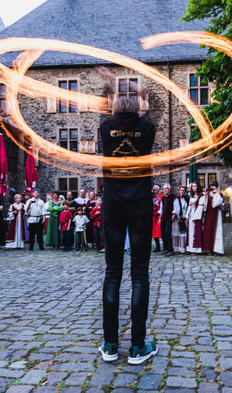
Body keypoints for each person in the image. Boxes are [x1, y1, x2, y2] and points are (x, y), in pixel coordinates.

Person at [98, 97, 157, 364]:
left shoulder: (105, 127)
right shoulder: (146, 128)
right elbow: (144, 121)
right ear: (137, 109)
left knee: (112, 274)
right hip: (140, 206)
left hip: (113, 205)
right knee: (139, 274)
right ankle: (136, 346)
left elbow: (113, 122)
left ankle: (110, 344)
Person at [202, 181, 225, 255]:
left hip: (216, 214)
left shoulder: (219, 195)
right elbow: (204, 205)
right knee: (208, 232)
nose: (212, 187)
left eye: (214, 185)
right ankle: (209, 249)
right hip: (209, 215)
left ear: (216, 186)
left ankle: (216, 249)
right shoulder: (207, 194)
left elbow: (216, 204)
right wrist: (205, 196)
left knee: (216, 232)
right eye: (211, 185)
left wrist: (216, 194)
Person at [186, 182, 205, 254]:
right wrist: (187, 215)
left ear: (198, 187)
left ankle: (196, 250)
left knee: (196, 232)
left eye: (195, 186)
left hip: (197, 215)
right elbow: (189, 206)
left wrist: (196, 217)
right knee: (190, 232)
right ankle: (190, 248)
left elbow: (201, 207)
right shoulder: (191, 195)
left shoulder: (201, 196)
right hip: (191, 215)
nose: (193, 187)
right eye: (193, 186)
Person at [159, 184, 176, 256]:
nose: (165, 190)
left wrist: (174, 215)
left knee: (168, 233)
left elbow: (176, 208)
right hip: (163, 217)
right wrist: (160, 218)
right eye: (164, 189)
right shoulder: (163, 198)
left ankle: (170, 249)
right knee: (163, 233)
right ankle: (165, 248)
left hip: (169, 217)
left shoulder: (174, 197)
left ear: (169, 189)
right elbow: (161, 208)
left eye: (166, 188)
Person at [172, 185, 188, 254]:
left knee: (183, 232)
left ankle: (182, 249)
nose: (182, 191)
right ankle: (176, 248)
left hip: (185, 217)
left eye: (183, 190)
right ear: (178, 191)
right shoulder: (176, 199)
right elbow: (175, 208)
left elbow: (188, 208)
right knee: (176, 232)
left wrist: (186, 216)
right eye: (181, 190)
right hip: (177, 218)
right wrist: (177, 216)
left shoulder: (187, 199)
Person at [152, 185, 162, 252]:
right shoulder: (152, 197)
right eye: (153, 190)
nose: (154, 191)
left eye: (155, 190)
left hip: (159, 216)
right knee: (154, 233)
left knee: (160, 232)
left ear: (158, 190)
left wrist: (157, 196)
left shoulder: (161, 196)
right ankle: (157, 246)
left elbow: (161, 201)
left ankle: (165, 246)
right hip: (153, 216)